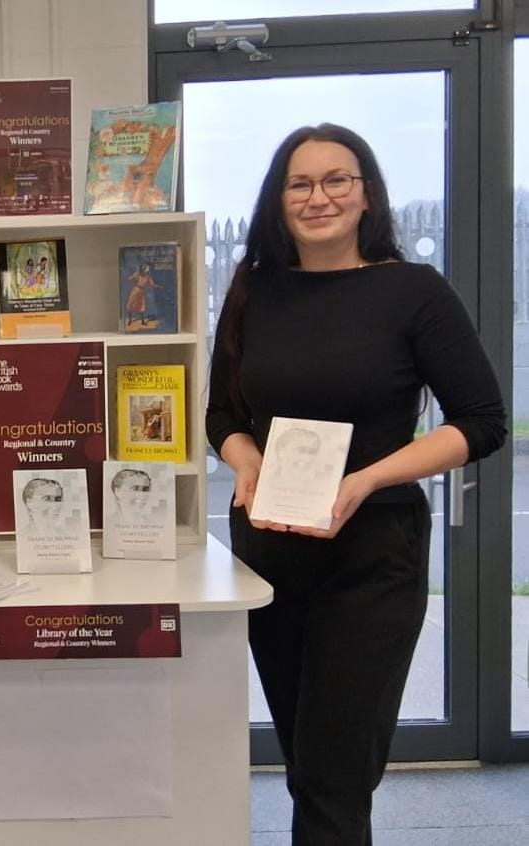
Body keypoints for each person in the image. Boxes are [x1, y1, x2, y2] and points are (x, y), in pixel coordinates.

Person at [206, 123, 506, 845]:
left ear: (366, 191)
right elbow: (223, 415)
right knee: (307, 766)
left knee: (338, 778)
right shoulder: (255, 288)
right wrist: (247, 462)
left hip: (371, 555)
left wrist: (366, 479)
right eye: (299, 183)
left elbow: (482, 421)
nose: (319, 197)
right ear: (278, 200)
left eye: (337, 179)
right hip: (272, 555)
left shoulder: (411, 291)